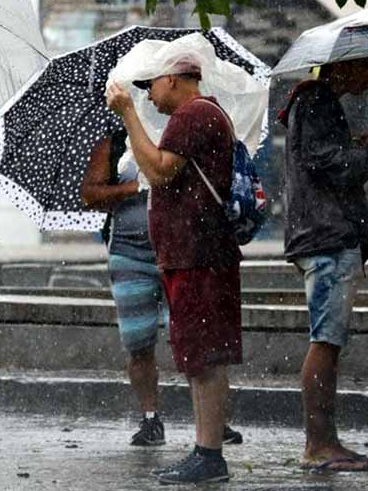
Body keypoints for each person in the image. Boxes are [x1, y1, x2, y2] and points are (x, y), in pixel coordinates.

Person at [106, 59, 242, 485]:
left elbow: (159, 169)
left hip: (198, 254)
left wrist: (128, 113)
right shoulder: (203, 114)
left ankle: (209, 454)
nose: (148, 95)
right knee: (198, 356)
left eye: (151, 86)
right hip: (195, 253)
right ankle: (206, 451)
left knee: (203, 357)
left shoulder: (193, 114)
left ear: (172, 79)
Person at [81, 132, 245, 449]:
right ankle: (151, 418)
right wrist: (134, 186)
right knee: (137, 341)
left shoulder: (183, 135)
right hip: (130, 253)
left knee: (194, 336)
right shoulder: (116, 141)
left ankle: (214, 421)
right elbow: (90, 194)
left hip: (182, 250)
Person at [279, 58, 368, 472]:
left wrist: (355, 147)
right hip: (327, 236)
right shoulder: (316, 99)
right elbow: (330, 164)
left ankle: (323, 441)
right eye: (366, 67)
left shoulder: (314, 100)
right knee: (326, 340)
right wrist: (361, 155)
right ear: (346, 66)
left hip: (322, 233)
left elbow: (329, 156)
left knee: (328, 339)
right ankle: (319, 444)